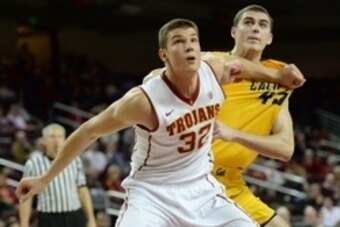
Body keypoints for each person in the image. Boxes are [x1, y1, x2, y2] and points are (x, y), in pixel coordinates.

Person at [16, 18, 304, 227]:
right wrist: (44, 179)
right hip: (152, 193)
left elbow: (242, 67)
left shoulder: (214, 71)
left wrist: (278, 77)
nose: (189, 46)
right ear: (164, 54)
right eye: (179, 41)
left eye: (193, 40)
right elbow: (89, 130)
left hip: (201, 188)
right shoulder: (143, 101)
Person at [208, 4, 304, 227]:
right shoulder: (212, 63)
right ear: (234, 31)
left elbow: (285, 148)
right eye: (248, 23)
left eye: (262, 25)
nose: (255, 29)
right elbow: (232, 65)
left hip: (230, 184)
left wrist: (234, 134)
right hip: (188, 176)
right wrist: (278, 76)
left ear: (269, 38)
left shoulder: (278, 85)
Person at [18, 123, 96, 227]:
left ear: (64, 140)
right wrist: (24, 224)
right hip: (49, 217)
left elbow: (82, 190)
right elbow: (26, 197)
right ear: (44, 141)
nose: (56, 140)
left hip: (74, 214)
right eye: (52, 137)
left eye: (60, 137)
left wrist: (91, 218)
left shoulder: (75, 160)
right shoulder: (33, 163)